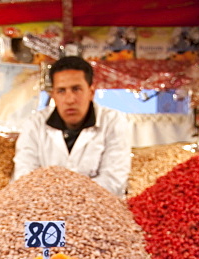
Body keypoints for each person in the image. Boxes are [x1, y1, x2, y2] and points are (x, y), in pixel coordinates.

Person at [12, 56, 131, 196]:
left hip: (97, 209)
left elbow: (113, 180)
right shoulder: (34, 125)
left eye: (76, 89)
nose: (70, 100)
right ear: (53, 95)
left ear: (91, 92)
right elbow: (24, 177)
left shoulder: (113, 122)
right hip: (45, 211)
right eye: (61, 91)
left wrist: (67, 198)